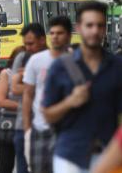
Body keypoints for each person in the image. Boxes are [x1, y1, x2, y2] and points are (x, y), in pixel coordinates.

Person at [42, 1, 122, 173]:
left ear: (105, 29)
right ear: (79, 27)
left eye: (100, 25)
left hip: (108, 157)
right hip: (69, 156)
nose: (95, 31)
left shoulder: (120, 67)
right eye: (89, 25)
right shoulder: (60, 67)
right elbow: (47, 115)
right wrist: (70, 101)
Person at [22, 16, 72, 173]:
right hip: (40, 129)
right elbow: (28, 95)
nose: (55, 37)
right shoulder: (36, 61)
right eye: (53, 33)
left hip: (67, 131)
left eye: (60, 33)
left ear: (69, 35)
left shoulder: (76, 61)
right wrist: (27, 129)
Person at [10, 23, 47, 173]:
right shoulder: (22, 57)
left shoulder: (54, 59)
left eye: (31, 44)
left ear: (42, 40)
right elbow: (14, 89)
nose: (28, 48)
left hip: (47, 127)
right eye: (25, 44)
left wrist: (29, 82)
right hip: (22, 126)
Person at [0, 46, 25, 173]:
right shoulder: (6, 74)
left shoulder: (35, 75)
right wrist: (26, 107)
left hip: (28, 129)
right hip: (9, 128)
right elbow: (1, 101)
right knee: (6, 167)